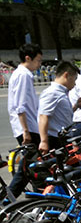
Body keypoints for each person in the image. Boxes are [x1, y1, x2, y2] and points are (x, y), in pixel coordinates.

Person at [7, 43, 42, 198]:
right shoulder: (24, 75)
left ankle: (9, 202)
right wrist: (26, 131)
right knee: (33, 168)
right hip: (27, 128)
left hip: (27, 126)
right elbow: (20, 106)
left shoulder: (21, 73)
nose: (39, 64)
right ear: (28, 58)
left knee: (27, 169)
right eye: (38, 60)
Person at [38, 61, 81, 153]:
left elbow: (62, 115)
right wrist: (44, 141)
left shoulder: (61, 93)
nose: (75, 84)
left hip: (62, 137)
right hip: (54, 139)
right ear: (66, 75)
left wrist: (76, 106)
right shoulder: (52, 93)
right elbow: (43, 116)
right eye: (74, 79)